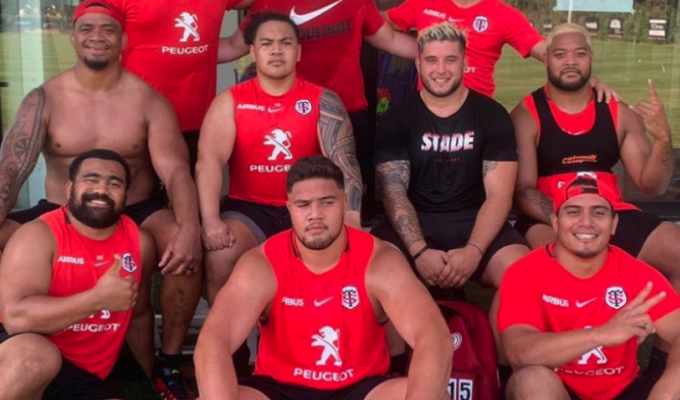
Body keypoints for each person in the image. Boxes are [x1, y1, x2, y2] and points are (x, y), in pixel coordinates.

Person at [0, 1, 202, 397]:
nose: (98, 37)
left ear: (123, 40)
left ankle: (168, 362)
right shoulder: (44, 99)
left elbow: (176, 169)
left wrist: (191, 227)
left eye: (108, 30)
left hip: (135, 209)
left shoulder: (148, 101)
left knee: (184, 247)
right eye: (88, 29)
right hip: (63, 210)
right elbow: (11, 169)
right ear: (72, 38)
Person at [194, 155, 452, 400]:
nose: (315, 214)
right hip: (278, 389)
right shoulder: (263, 263)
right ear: (290, 209)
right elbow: (214, 341)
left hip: (360, 389)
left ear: (343, 204)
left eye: (326, 202)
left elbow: (432, 335)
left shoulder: (379, 260)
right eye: (303, 204)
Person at [197, 11, 363, 306]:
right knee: (220, 255)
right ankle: (229, 350)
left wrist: (351, 216)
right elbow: (209, 162)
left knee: (337, 259)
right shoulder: (230, 101)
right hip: (249, 209)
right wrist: (211, 221)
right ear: (252, 53)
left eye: (286, 43)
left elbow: (344, 163)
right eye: (267, 43)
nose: (276, 50)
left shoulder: (322, 100)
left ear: (298, 52)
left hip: (308, 207)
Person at [512, 24, 680, 290]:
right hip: (549, 218)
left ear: (591, 57)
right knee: (562, 266)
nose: (570, 61)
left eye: (579, 54)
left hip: (611, 213)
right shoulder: (526, 115)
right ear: (545, 58)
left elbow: (653, 186)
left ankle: (666, 331)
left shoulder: (619, 113)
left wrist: (663, 139)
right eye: (560, 55)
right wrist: (568, 217)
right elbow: (523, 191)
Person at [219, 0, 419, 221]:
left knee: (346, 200)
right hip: (292, 118)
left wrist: (445, 54)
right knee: (301, 199)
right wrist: (179, 52)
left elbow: (389, 40)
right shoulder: (269, 3)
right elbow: (230, 47)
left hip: (347, 110)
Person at [499, 176, 680, 400]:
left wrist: (665, 393)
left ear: (613, 224)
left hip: (623, 391)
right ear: (555, 221)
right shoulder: (525, 271)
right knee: (530, 381)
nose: (586, 222)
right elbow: (519, 352)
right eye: (573, 212)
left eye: (599, 212)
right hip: (560, 390)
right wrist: (602, 335)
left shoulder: (635, 273)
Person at [0, 149, 155, 400]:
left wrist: (151, 375)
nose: (102, 190)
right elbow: (16, 318)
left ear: (126, 194)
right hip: (18, 353)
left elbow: (139, 315)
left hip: (79, 375)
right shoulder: (38, 235)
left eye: (114, 183)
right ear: (70, 188)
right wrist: (98, 299)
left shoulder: (140, 242)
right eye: (91, 180)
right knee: (35, 358)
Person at [110, 0, 253, 173]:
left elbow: (233, 44)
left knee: (186, 192)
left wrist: (269, 9)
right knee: (138, 194)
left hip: (196, 123)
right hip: (138, 122)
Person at [384, 0, 617, 102]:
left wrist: (591, 78)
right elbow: (380, 25)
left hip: (476, 114)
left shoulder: (504, 14)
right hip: (429, 110)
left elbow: (547, 51)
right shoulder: (422, 3)